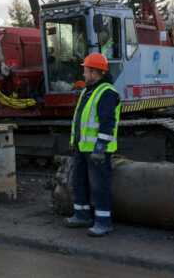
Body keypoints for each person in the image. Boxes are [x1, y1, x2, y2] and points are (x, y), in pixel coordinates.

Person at [63, 53, 121, 237]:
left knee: (99, 186)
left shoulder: (107, 92)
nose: (84, 75)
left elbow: (107, 122)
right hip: (83, 147)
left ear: (96, 72)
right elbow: (80, 120)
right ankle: (82, 215)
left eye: (86, 71)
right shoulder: (87, 91)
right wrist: (74, 142)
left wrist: (100, 146)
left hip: (97, 149)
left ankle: (103, 222)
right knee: (78, 181)